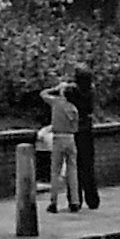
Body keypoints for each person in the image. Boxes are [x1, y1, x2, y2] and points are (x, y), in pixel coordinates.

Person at [39, 80, 80, 212]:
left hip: (58, 138)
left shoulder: (56, 103)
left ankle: (53, 202)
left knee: (55, 171)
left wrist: (55, 88)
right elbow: (76, 127)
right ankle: (75, 201)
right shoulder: (73, 108)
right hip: (71, 138)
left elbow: (43, 94)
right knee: (72, 170)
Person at [71, 65, 100, 209]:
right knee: (88, 167)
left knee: (74, 167)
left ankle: (76, 200)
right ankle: (93, 199)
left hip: (74, 131)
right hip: (87, 130)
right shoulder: (91, 92)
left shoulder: (72, 92)